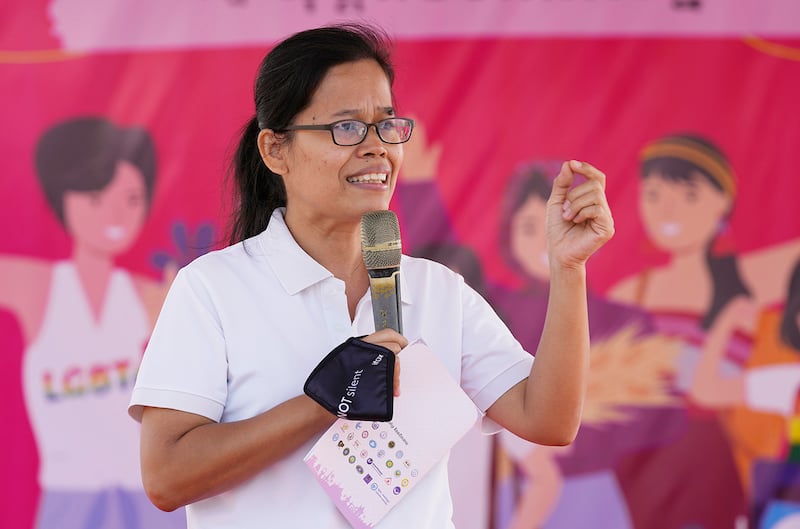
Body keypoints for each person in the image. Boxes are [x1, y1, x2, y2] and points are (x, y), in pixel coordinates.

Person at [128, 24, 614, 529]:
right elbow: (166, 478)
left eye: (387, 125)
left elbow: (549, 420)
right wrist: (322, 401)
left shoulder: (437, 289)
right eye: (346, 128)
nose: (377, 147)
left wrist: (569, 268)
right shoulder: (213, 289)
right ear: (275, 151)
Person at [0, 116, 182, 529]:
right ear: (64, 198)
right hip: (68, 499)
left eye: (132, 199)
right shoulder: (37, 288)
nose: (116, 214)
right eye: (97, 197)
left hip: (149, 497)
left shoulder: (157, 296)